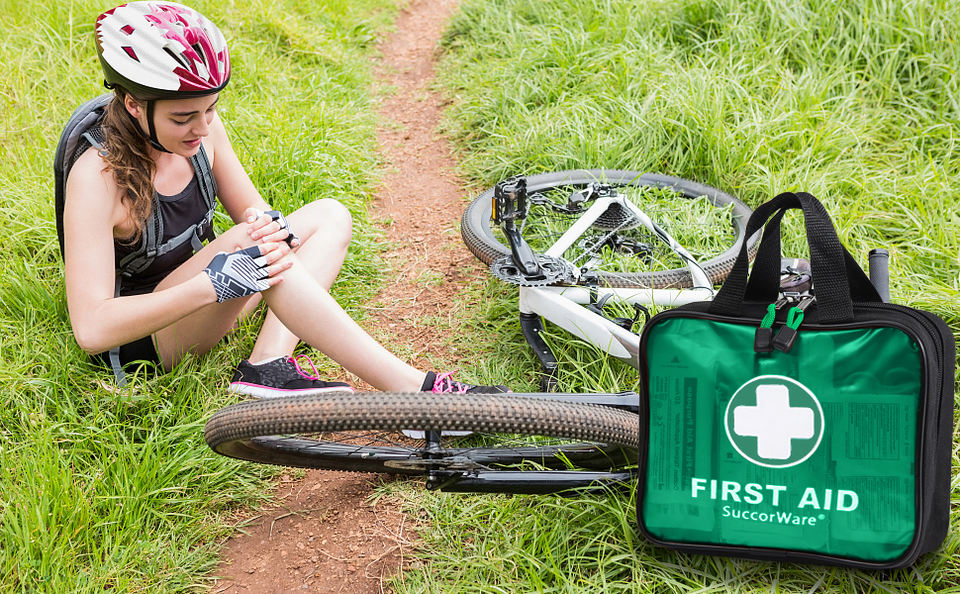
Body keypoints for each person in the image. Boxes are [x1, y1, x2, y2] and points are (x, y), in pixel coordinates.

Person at [63, 1, 509, 398]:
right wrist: (210, 285)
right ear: (134, 105)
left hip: (211, 291)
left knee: (329, 215)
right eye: (183, 118)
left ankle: (267, 365)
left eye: (211, 109)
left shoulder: (202, 131)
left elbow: (253, 212)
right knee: (251, 243)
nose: (202, 128)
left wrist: (270, 227)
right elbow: (92, 328)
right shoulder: (97, 178)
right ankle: (414, 392)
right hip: (147, 341)